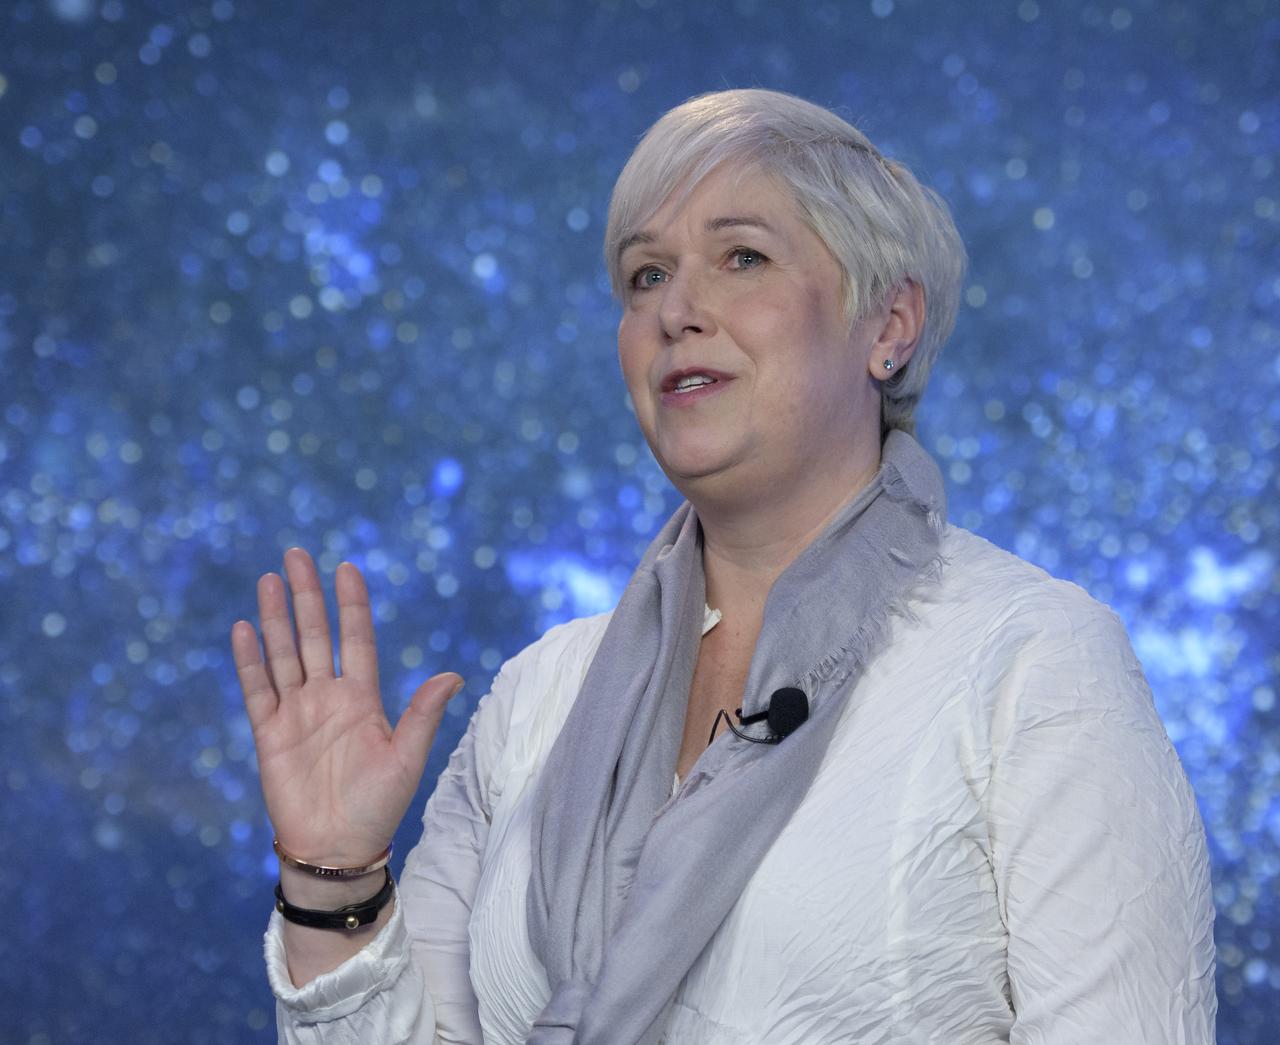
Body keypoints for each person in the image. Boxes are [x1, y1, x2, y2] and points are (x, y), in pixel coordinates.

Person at [232, 89, 1217, 1044]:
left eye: (742, 256)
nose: (677, 309)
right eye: (645, 275)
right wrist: (332, 875)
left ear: (888, 325)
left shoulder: (1033, 663)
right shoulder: (539, 695)